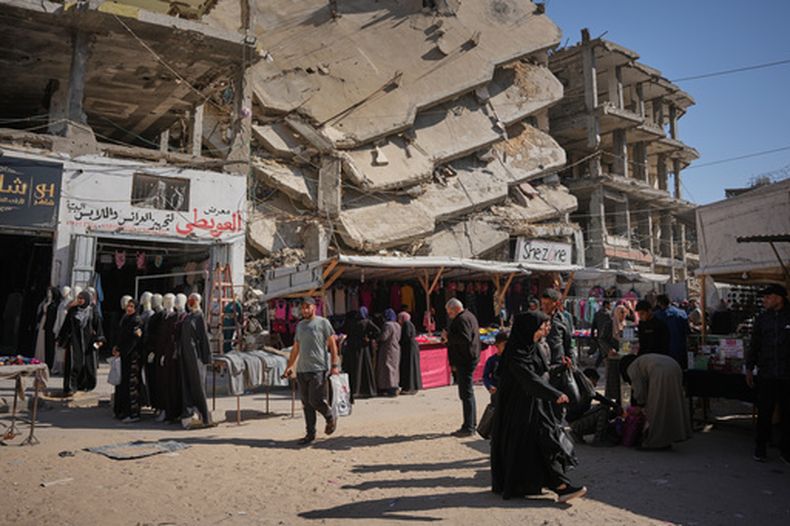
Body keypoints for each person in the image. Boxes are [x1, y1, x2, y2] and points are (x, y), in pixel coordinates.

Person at [490, 311, 587, 503]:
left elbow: (541, 372)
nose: (544, 331)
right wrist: (554, 394)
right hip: (519, 410)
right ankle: (561, 486)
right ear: (529, 328)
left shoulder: (532, 348)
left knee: (544, 442)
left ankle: (559, 485)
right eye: (541, 328)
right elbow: (528, 378)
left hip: (537, 405)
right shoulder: (515, 353)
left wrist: (560, 369)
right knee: (543, 441)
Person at [284, 297, 340, 445]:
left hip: (318, 368)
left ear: (314, 307)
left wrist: (334, 365)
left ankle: (329, 416)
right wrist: (290, 366)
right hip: (302, 369)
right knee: (306, 404)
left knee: (315, 400)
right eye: (302, 308)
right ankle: (310, 434)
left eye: (307, 307)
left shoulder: (323, 323)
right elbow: (296, 348)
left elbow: (333, 345)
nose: (304, 310)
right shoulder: (300, 325)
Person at [745, 284, 790, 463]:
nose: (764, 300)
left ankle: (786, 450)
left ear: (779, 298)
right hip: (767, 374)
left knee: (787, 414)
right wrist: (749, 367)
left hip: (787, 375)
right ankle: (760, 447)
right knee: (764, 413)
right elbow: (754, 344)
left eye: (767, 297)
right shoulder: (762, 319)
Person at [619, 354, 692, 450]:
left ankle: (655, 442)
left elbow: (639, 390)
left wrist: (640, 404)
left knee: (657, 409)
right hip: (675, 366)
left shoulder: (632, 368)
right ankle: (670, 437)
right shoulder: (642, 360)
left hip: (660, 371)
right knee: (673, 404)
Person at [444, 298, 481, 437]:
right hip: (468, 358)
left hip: (465, 360)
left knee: (466, 394)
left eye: (449, 312)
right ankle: (471, 424)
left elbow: (465, 338)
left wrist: (448, 337)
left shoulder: (462, 319)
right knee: (467, 393)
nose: (449, 315)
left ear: (455, 309)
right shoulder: (469, 316)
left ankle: (469, 426)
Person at [57, 290, 104, 394]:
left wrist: (99, 339)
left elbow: (98, 325)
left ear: (86, 299)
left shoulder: (92, 311)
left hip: (88, 342)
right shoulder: (73, 311)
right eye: (78, 298)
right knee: (74, 363)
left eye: (81, 298)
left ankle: (86, 385)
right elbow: (66, 325)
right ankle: (71, 386)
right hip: (75, 341)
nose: (79, 300)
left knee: (87, 364)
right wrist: (61, 338)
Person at [178, 293, 212, 429]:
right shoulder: (188, 316)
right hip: (185, 354)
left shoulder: (199, 317)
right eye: (190, 300)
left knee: (197, 384)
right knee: (186, 383)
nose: (191, 302)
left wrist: (206, 357)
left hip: (195, 356)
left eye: (194, 300)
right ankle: (189, 413)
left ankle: (204, 416)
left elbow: (204, 337)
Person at [568, 368, 621, 446]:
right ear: (589, 379)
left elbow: (601, 398)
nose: (595, 385)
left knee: (606, 412)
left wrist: (614, 409)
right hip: (576, 424)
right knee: (603, 410)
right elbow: (600, 399)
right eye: (595, 381)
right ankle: (598, 440)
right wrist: (615, 406)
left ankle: (576, 433)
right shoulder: (584, 389)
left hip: (575, 423)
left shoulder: (579, 388)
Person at [113, 298, 144, 423]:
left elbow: (134, 341)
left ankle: (133, 414)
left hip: (132, 357)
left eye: (132, 306)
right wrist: (117, 347)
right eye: (128, 306)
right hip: (124, 356)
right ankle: (122, 411)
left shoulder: (137, 321)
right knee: (123, 384)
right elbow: (121, 336)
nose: (129, 308)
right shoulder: (126, 319)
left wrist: (123, 351)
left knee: (131, 385)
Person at [341, 308, 380, 400]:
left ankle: (355, 390)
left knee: (354, 368)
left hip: (352, 347)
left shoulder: (350, 322)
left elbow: (343, 330)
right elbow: (378, 331)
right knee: (365, 368)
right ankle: (367, 390)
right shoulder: (366, 322)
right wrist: (369, 337)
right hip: (363, 348)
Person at [654, 295, 689, 369]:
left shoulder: (657, 316)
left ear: (659, 303)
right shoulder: (682, 313)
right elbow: (687, 330)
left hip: (665, 350)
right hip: (681, 348)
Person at [377, 309, 402, 397]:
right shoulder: (397, 325)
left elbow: (384, 337)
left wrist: (377, 338)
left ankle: (389, 388)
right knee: (394, 368)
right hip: (396, 348)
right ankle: (395, 386)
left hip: (387, 349)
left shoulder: (387, 325)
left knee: (388, 368)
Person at [398, 311, 422, 394]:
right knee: (412, 367)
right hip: (412, 347)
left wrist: (399, 342)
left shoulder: (406, 324)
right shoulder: (410, 324)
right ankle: (413, 387)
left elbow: (406, 336)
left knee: (409, 367)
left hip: (409, 348)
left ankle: (409, 387)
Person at [483, 332, 508, 400]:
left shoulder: (512, 359)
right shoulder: (492, 360)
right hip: (497, 392)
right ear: (497, 345)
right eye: (505, 345)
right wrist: (489, 386)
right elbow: (485, 376)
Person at [591, 300, 614, 367]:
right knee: (603, 353)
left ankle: (597, 366)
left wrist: (593, 336)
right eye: (609, 305)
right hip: (607, 337)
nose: (610, 306)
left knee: (602, 352)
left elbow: (593, 326)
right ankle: (597, 366)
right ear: (606, 305)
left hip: (599, 336)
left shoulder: (597, 314)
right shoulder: (609, 314)